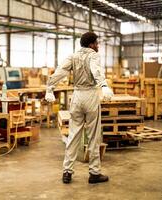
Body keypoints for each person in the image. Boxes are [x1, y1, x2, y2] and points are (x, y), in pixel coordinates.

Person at [45, 32, 114, 184]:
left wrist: (49, 88)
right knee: (93, 136)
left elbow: (60, 71)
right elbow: (96, 70)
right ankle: (94, 173)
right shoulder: (93, 55)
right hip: (90, 96)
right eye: (96, 43)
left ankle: (67, 172)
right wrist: (104, 86)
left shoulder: (72, 56)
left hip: (76, 96)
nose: (98, 46)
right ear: (91, 44)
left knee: (73, 135)